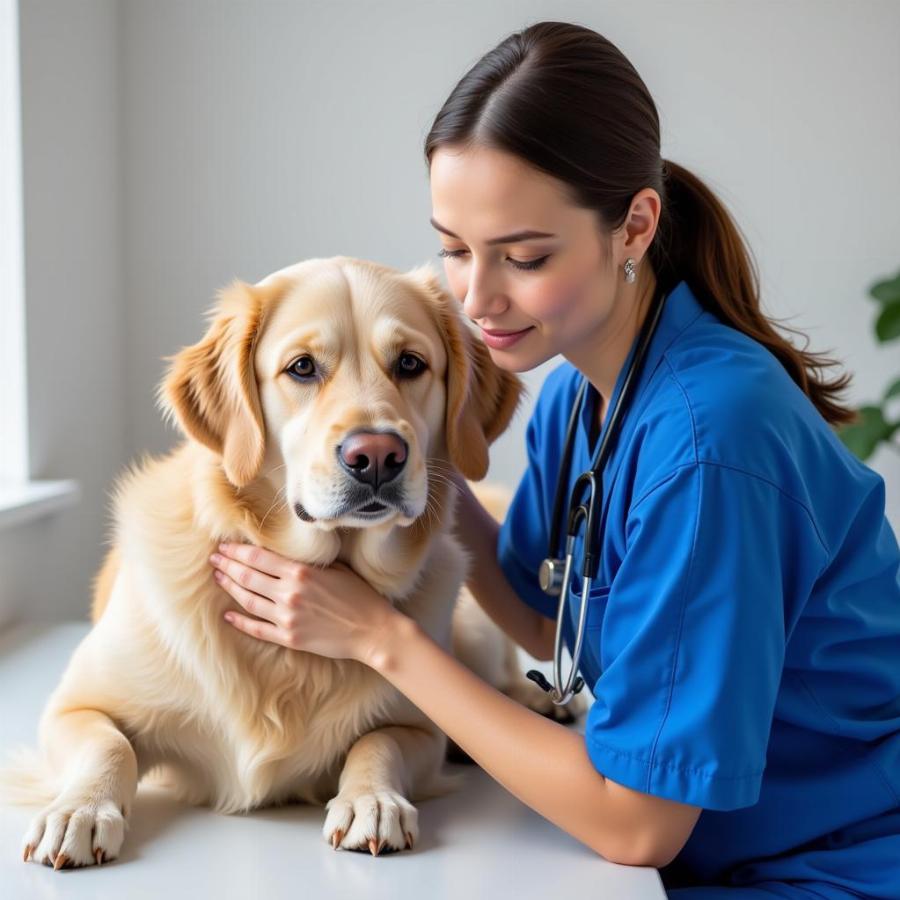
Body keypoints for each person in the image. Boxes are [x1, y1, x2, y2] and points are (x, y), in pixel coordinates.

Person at [207, 21, 900, 897]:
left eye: (524, 257)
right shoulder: (578, 390)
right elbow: (545, 619)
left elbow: (638, 824)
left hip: (826, 864)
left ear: (634, 227)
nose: (478, 297)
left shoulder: (708, 444)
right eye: (455, 249)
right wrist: (408, 460)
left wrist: (382, 640)